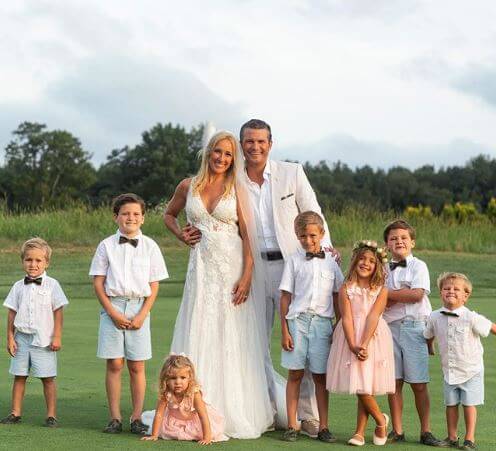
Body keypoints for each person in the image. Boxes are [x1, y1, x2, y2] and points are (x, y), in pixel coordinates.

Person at [163, 130, 273, 438]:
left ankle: (232, 407)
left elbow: (249, 236)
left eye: (228, 154)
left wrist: (248, 275)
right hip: (201, 269)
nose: (222, 159)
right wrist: (180, 234)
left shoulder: (237, 188)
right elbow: (169, 215)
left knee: (231, 331)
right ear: (208, 152)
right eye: (218, 152)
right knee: (200, 324)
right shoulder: (188, 185)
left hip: (232, 269)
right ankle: (191, 407)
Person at [89, 193, 169, 434]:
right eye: (125, 213)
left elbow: (154, 285)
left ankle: (136, 417)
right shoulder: (106, 245)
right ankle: (115, 417)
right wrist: (112, 312)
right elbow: (98, 283)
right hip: (112, 306)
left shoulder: (150, 246)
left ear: (143, 218)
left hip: (139, 308)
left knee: (137, 365)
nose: (130, 218)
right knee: (114, 363)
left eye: (136, 214)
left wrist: (143, 314)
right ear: (116, 217)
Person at [279, 211, 343, 443]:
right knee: (295, 373)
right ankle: (292, 425)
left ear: (322, 234)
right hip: (297, 322)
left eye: (313, 235)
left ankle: (324, 425)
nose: (308, 240)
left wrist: (339, 324)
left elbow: (337, 296)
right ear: (297, 236)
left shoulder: (332, 264)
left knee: (320, 376)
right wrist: (285, 330)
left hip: (323, 325)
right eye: (303, 236)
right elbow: (285, 297)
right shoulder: (293, 261)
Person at [327, 240, 395, 446]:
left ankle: (361, 431)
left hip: (373, 337)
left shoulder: (381, 290)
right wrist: (352, 343)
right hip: (350, 337)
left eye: (371, 261)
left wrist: (363, 343)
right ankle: (380, 420)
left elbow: (374, 316)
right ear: (355, 260)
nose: (366, 263)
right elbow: (346, 318)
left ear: (377, 266)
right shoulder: (346, 287)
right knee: (358, 383)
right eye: (362, 259)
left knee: (366, 384)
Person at [382, 219, 443, 446]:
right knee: (394, 382)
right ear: (387, 244)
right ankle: (397, 431)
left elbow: (417, 295)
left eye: (403, 238)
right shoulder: (382, 268)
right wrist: (397, 293)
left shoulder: (419, 266)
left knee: (418, 384)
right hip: (389, 329)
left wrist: (387, 294)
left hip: (416, 327)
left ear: (412, 242)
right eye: (393, 238)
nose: (399, 241)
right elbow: (380, 302)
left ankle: (425, 431)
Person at [1, 238, 69, 428]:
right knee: (19, 376)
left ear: (47, 262)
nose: (33, 264)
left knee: (47, 378)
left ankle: (51, 415)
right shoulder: (17, 286)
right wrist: (10, 337)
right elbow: (11, 313)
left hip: (44, 339)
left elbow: (58, 311)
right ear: (23, 261)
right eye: (29, 260)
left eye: (38, 260)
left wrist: (57, 336)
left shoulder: (53, 285)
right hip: (21, 338)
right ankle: (15, 413)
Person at [424, 272, 496, 450]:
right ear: (440, 292)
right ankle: (451, 437)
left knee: (469, 404)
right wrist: (429, 347)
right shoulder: (434, 316)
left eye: (456, 289)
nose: (451, 291)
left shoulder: (471, 317)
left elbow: (491, 327)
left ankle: (469, 439)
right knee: (451, 404)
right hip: (449, 370)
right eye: (446, 288)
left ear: (466, 296)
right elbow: (428, 334)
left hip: (471, 369)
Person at [141, 354, 227, 443]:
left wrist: (207, 437)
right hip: (174, 420)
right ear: (166, 379)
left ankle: (201, 433)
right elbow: (159, 414)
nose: (178, 382)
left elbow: (203, 415)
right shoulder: (166, 393)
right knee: (166, 431)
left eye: (183, 378)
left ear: (189, 378)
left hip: (194, 420)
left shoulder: (194, 393)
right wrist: (154, 435)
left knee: (198, 433)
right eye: (173, 378)